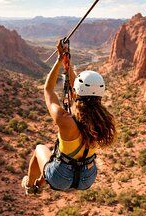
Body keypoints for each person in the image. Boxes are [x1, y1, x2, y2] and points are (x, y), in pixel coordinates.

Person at [21, 40, 116, 193]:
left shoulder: (64, 119)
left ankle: (31, 186)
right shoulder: (102, 119)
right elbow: (77, 91)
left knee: (40, 149)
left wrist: (59, 60)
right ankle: (40, 181)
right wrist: (67, 65)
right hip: (87, 178)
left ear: (77, 90)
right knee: (55, 155)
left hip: (61, 178)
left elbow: (48, 90)